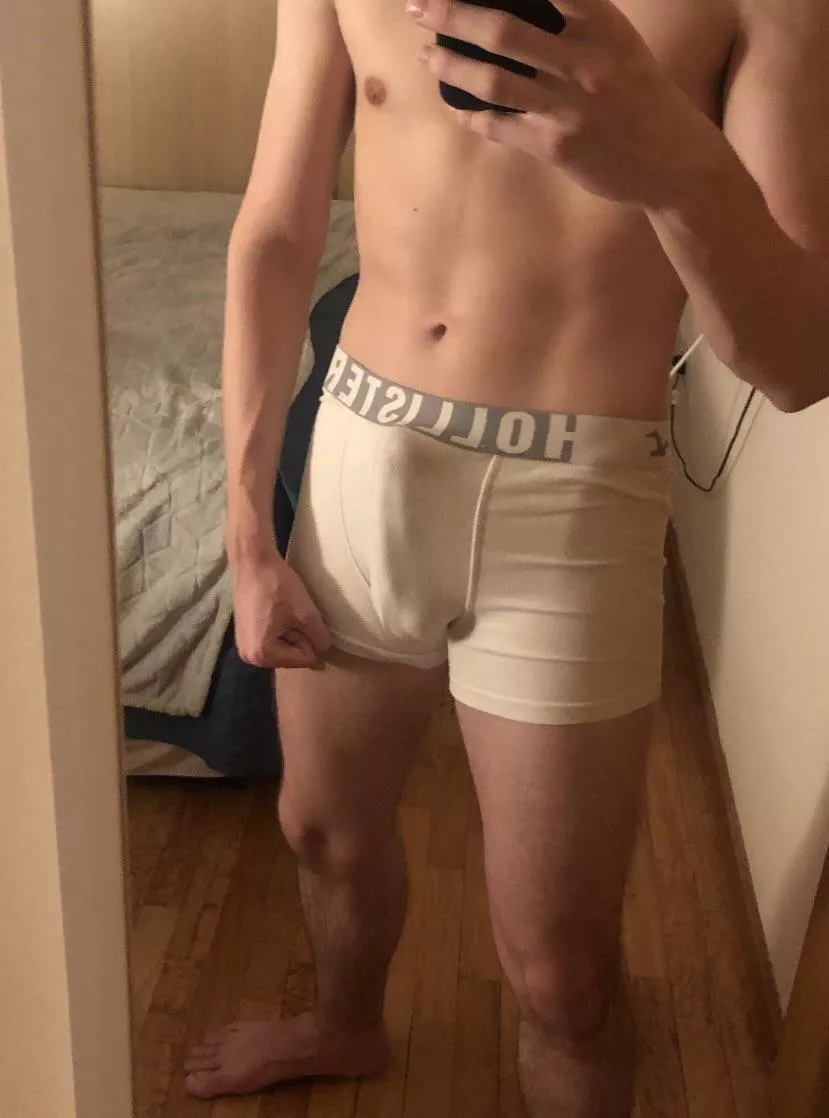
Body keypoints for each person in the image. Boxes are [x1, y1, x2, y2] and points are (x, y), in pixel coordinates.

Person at [185, 0, 829, 1113]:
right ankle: (344, 1023)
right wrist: (246, 526)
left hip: (574, 496)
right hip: (358, 449)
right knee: (320, 829)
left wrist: (674, 165)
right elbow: (277, 233)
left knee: (563, 978)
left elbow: (799, 362)